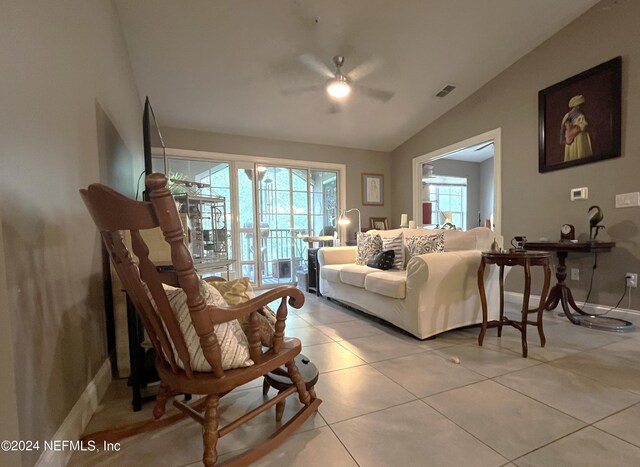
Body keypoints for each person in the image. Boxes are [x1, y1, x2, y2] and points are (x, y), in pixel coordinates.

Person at [560, 94, 593, 161]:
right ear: (578, 105)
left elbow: (562, 128)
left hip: (569, 139)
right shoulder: (580, 116)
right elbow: (583, 126)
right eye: (582, 105)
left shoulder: (567, 115)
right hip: (579, 139)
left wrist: (562, 138)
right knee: (580, 152)